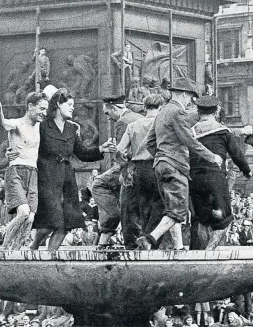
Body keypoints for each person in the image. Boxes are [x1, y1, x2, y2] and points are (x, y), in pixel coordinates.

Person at [30, 88, 115, 251]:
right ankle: (33, 248)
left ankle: (50, 257)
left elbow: (82, 153)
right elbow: (29, 144)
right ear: (57, 105)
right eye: (69, 104)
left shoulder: (71, 129)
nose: (72, 108)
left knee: (66, 225)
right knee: (50, 222)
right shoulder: (42, 126)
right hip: (47, 177)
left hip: (67, 179)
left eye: (73, 105)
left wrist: (101, 149)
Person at [142, 77, 223, 250]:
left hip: (161, 165)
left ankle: (178, 247)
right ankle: (149, 239)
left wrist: (162, 157)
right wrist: (212, 157)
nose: (190, 103)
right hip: (175, 167)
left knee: (172, 208)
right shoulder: (178, 112)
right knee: (178, 210)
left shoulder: (162, 112)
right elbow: (190, 141)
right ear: (185, 94)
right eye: (191, 98)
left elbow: (149, 142)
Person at [189, 95, 252, 250]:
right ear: (216, 111)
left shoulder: (190, 132)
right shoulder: (223, 132)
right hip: (215, 178)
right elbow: (237, 155)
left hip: (194, 179)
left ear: (198, 111)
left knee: (202, 220)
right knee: (225, 219)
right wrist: (246, 171)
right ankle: (209, 252)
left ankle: (201, 254)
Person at [0, 91, 49, 249]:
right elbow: (1, 123)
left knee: (29, 219)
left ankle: (15, 249)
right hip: (16, 171)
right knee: (23, 212)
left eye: (46, 109)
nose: (44, 113)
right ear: (30, 106)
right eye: (41, 109)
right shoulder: (17, 124)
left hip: (33, 173)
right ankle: (4, 248)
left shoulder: (40, 126)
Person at [92, 94, 142, 248]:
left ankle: (112, 220)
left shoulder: (122, 122)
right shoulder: (138, 116)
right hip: (145, 166)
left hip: (130, 168)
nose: (108, 118)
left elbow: (122, 153)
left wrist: (120, 168)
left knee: (98, 185)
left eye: (107, 113)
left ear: (114, 108)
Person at [115, 93, 165, 248]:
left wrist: (124, 169)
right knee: (159, 206)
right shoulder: (163, 124)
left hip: (138, 169)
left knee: (139, 206)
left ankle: (139, 239)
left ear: (144, 107)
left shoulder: (133, 125)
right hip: (157, 167)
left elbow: (119, 150)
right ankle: (151, 240)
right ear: (161, 107)